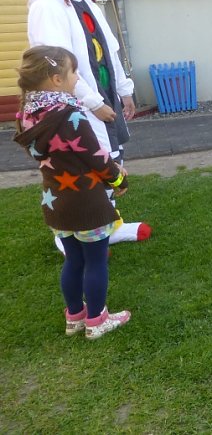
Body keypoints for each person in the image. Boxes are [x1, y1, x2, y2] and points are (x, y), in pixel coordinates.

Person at [0, 0, 151, 250]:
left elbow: (108, 48)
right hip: (77, 108)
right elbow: (57, 66)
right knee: (84, 164)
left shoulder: (85, 0)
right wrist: (91, 100)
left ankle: (108, 225)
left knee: (111, 158)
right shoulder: (48, 7)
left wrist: (125, 89)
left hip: (103, 95)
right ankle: (72, 232)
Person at [13, 46, 131, 339]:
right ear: (55, 79)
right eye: (74, 72)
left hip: (56, 203)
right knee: (95, 260)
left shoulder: (27, 114)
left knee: (73, 260)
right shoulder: (69, 114)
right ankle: (96, 320)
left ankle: (75, 316)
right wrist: (118, 179)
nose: (76, 77)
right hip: (86, 203)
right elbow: (96, 156)